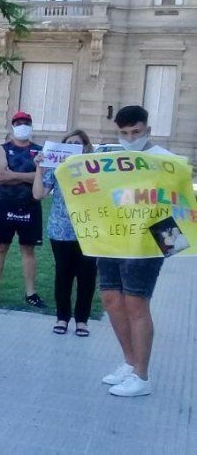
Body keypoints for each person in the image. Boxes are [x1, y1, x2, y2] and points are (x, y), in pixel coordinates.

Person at [97, 105, 173, 398]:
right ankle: (130, 364)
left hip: (147, 241)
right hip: (111, 237)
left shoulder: (166, 161)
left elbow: (178, 204)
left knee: (136, 303)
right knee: (111, 298)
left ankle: (142, 376)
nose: (130, 137)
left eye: (136, 132)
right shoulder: (110, 160)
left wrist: (170, 244)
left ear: (147, 130)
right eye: (124, 133)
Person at [32, 129, 95, 337]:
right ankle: (62, 317)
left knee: (87, 276)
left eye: (77, 143)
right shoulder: (56, 169)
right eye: (69, 143)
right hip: (61, 229)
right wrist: (39, 169)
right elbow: (39, 194)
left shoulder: (95, 169)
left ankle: (82, 320)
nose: (73, 146)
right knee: (63, 275)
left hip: (89, 230)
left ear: (85, 147)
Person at [0, 111, 45, 307]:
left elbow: (43, 178)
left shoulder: (40, 150)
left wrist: (14, 174)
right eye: (19, 122)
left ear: (31, 125)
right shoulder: (2, 149)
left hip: (31, 204)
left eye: (26, 122)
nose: (23, 125)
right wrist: (31, 175)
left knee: (28, 249)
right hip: (6, 203)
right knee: (0, 247)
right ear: (12, 125)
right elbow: (1, 176)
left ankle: (31, 293)